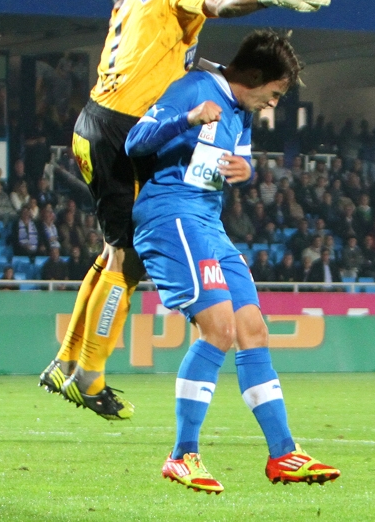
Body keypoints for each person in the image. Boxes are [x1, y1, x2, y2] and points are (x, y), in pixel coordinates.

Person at [38, 0, 337, 419]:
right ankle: (87, 376)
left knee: (114, 252)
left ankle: (68, 363)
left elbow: (182, 60)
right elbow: (221, 1)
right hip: (118, 129)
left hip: (100, 121)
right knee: (126, 261)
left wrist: (231, 73)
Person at [125, 29, 339, 493]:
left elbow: (233, 162)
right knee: (219, 328)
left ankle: (284, 454)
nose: (274, 105)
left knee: (253, 330)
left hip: (209, 223)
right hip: (171, 215)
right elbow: (135, 141)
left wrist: (248, 171)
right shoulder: (193, 89)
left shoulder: (240, 116)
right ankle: (182, 455)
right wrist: (186, 119)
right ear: (255, 76)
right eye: (276, 94)